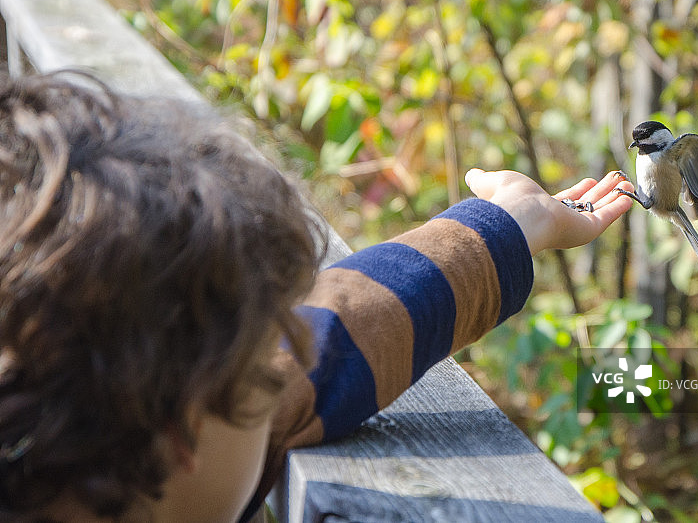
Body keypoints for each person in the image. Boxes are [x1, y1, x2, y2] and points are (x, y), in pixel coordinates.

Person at [0, 71, 633, 522]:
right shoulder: (181, 433)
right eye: (262, 372)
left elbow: (336, 342)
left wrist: (504, 230)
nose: (283, 366)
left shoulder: (120, 427)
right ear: (186, 431)